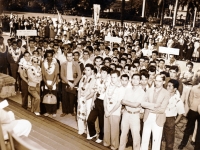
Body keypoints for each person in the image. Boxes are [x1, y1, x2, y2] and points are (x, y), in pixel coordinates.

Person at [140, 74, 170, 150]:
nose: (157, 83)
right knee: (144, 139)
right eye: (156, 80)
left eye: (159, 81)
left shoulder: (166, 93)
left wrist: (149, 106)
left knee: (156, 141)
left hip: (158, 118)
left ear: (163, 82)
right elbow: (142, 103)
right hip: (147, 116)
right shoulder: (149, 90)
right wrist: (155, 105)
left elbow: (162, 109)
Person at [119, 73, 145, 150]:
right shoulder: (128, 90)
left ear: (140, 81)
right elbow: (122, 101)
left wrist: (126, 102)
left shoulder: (142, 92)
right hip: (126, 113)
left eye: (137, 79)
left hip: (135, 115)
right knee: (123, 134)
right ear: (131, 80)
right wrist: (126, 105)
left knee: (136, 136)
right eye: (134, 79)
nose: (135, 81)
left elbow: (136, 105)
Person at [87, 66, 111, 143]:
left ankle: (101, 136)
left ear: (107, 74)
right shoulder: (97, 80)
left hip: (104, 102)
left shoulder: (110, 82)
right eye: (101, 72)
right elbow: (95, 92)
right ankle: (93, 133)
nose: (102, 74)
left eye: (104, 72)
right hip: (97, 101)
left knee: (102, 122)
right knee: (90, 119)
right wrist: (92, 102)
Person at [103, 70, 125, 150]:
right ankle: (106, 142)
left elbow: (119, 102)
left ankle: (114, 145)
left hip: (115, 112)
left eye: (114, 77)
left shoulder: (121, 88)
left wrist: (110, 112)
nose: (113, 79)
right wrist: (106, 110)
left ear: (119, 77)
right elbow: (105, 98)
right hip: (107, 110)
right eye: (111, 77)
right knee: (107, 128)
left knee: (114, 130)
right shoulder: (109, 85)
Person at [178, 74, 200, 149]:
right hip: (193, 110)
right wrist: (192, 107)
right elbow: (190, 99)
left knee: (198, 130)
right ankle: (183, 143)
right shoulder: (194, 88)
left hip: (197, 110)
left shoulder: (194, 87)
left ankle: (197, 146)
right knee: (188, 128)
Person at [163, 79, 185, 150]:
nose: (167, 87)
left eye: (170, 86)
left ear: (175, 89)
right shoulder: (163, 96)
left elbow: (181, 114)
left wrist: (174, 123)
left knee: (169, 142)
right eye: (167, 85)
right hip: (161, 118)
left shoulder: (177, 100)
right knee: (158, 139)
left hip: (170, 120)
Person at [60, 51, 81, 117]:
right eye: (67, 56)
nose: (69, 58)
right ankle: (65, 111)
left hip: (73, 82)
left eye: (70, 56)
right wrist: (68, 82)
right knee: (64, 97)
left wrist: (74, 83)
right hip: (65, 82)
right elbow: (62, 75)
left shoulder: (76, 64)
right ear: (66, 57)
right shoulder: (63, 64)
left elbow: (79, 75)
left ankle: (71, 111)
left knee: (72, 98)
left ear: (72, 57)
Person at [77, 63, 96, 136]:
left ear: (92, 71)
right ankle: (81, 129)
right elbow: (79, 89)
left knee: (88, 115)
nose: (87, 71)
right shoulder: (83, 77)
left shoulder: (93, 79)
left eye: (88, 70)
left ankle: (89, 132)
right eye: (85, 70)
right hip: (81, 98)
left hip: (88, 99)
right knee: (80, 114)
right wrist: (79, 98)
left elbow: (92, 93)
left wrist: (85, 98)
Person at [41, 50, 59, 117]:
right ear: (46, 56)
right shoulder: (43, 64)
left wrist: (52, 84)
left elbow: (56, 75)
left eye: (50, 56)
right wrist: (46, 84)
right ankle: (48, 111)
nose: (49, 58)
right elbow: (43, 75)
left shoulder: (56, 64)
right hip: (46, 82)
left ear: (52, 56)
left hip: (53, 82)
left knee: (53, 97)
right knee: (46, 97)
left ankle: (53, 111)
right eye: (48, 56)